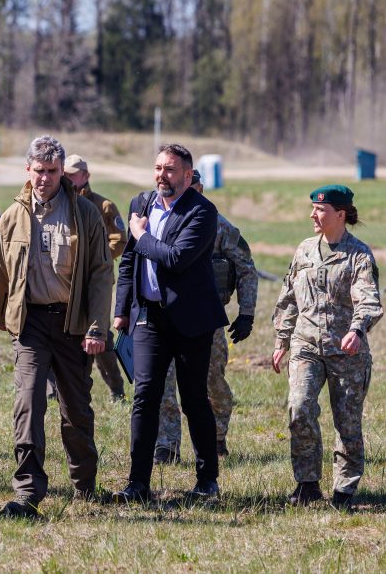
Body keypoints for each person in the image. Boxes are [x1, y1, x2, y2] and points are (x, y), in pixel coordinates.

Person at [0, 136, 113, 518]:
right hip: (30, 325)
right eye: (39, 171)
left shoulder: (85, 214)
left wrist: (96, 328)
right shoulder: (12, 216)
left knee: (76, 410)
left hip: (73, 325)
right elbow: (0, 269)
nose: (45, 178)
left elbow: (100, 274)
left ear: (64, 173)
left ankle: (85, 486)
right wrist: (1, 314)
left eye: (53, 172)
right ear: (28, 171)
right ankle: (28, 491)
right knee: (28, 403)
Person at [112, 144, 228, 503]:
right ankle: (138, 483)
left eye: (171, 170)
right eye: (159, 167)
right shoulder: (141, 204)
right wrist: (122, 308)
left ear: (188, 176)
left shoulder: (203, 212)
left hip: (192, 320)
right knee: (144, 397)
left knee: (194, 399)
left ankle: (207, 480)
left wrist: (141, 235)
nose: (162, 175)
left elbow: (175, 259)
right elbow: (129, 261)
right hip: (149, 315)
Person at [272, 185, 382, 509]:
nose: (313, 215)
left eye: (320, 210)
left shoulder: (358, 255)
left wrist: (357, 331)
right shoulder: (304, 250)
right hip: (305, 345)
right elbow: (288, 297)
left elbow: (369, 301)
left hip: (346, 351)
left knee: (347, 423)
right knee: (299, 407)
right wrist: (282, 340)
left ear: (340, 214)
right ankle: (307, 485)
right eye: (313, 208)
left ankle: (344, 491)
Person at [154, 170, 257, 463]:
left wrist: (246, 313)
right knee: (163, 382)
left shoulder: (219, 226)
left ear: (198, 187)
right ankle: (167, 445)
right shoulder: (159, 219)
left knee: (212, 381)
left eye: (193, 187)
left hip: (206, 319)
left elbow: (247, 268)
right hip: (164, 316)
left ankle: (216, 436)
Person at [51, 154, 127, 403]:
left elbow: (120, 240)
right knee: (55, 335)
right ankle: (55, 389)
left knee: (101, 336)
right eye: (66, 174)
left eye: (74, 174)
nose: (69, 178)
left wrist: (97, 255)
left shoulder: (103, 206)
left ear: (86, 176)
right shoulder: (58, 202)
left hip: (95, 283)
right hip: (65, 281)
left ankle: (116, 388)